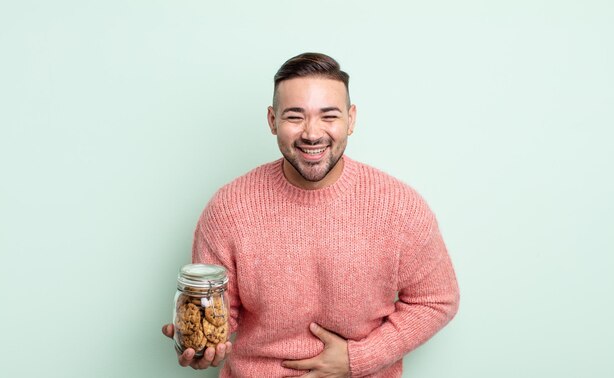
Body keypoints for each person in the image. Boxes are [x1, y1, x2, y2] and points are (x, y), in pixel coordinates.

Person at [163, 52, 460, 377]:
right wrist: (203, 345)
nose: (312, 133)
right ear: (272, 121)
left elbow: (437, 299)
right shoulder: (229, 208)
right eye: (294, 117)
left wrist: (358, 358)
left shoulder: (400, 206)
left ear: (351, 119)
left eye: (328, 116)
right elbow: (218, 310)